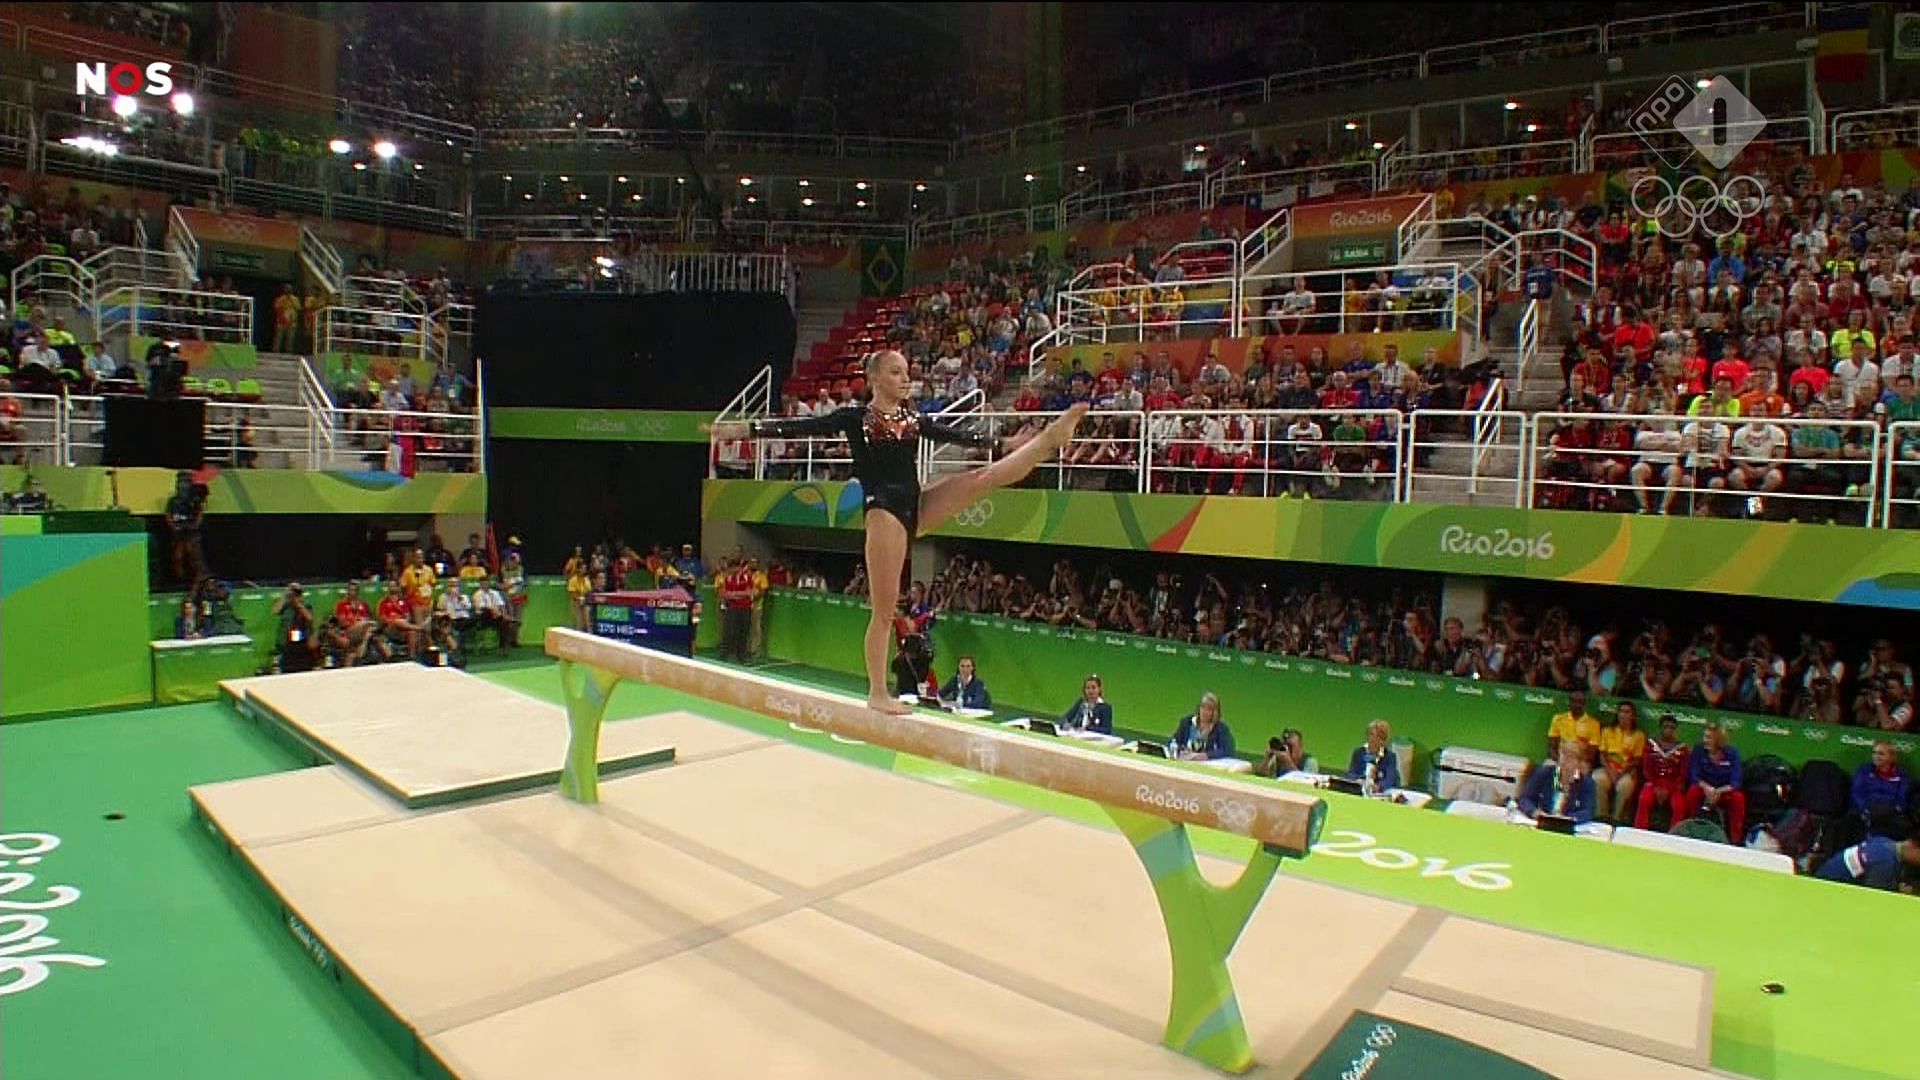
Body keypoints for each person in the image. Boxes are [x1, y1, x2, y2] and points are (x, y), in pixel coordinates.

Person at [722, 350, 1086, 712]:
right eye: (896, 372)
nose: (905, 378)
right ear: (874, 378)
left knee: (982, 478)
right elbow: (801, 428)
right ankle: (878, 693)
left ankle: (1048, 440)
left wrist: (1001, 444)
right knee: (884, 612)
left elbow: (954, 434)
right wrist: (746, 429)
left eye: (907, 371)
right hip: (884, 513)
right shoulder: (856, 418)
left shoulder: (911, 418)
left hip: (915, 505)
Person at [1683, 722, 1747, 842]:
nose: (1705, 740)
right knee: (1693, 791)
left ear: (1718, 740)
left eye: (1709, 737)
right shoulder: (1698, 750)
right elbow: (1694, 776)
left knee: (1738, 798)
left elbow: (1736, 782)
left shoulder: (1732, 754)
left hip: (1724, 792)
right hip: (1704, 789)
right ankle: (1690, 830)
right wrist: (1707, 788)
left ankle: (1735, 840)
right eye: (1704, 737)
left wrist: (1718, 791)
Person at [1633, 714, 1691, 831]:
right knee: (1644, 798)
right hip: (1653, 782)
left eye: (1672, 728)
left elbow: (1683, 773)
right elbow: (1646, 769)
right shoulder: (1651, 745)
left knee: (1679, 805)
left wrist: (1670, 788)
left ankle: (1675, 834)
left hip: (1673, 785)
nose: (1668, 730)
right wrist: (1656, 786)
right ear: (1660, 728)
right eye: (1665, 727)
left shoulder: (1682, 749)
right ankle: (1639, 831)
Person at [1517, 742, 1598, 826]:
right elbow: (1525, 798)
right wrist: (1534, 812)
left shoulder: (1586, 783)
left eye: (1570, 756)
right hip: (1542, 822)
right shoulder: (1545, 773)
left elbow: (1587, 812)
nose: (1565, 760)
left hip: (1566, 826)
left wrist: (1565, 819)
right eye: (1563, 754)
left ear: (1579, 762)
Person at [1595, 701, 1646, 824]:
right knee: (1598, 779)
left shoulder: (1639, 735)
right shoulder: (1608, 731)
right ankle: (1601, 817)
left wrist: (1623, 771)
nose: (1623, 714)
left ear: (1633, 716)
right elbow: (1602, 755)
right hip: (1609, 768)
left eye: (1627, 712)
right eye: (1621, 711)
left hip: (1627, 770)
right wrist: (1610, 771)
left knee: (1625, 785)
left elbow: (1638, 760)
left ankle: (1616, 819)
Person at [1812, 835, 1920, 892]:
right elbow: (1873, 896)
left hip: (1824, 876)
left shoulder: (1883, 841)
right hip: (1827, 889)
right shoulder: (1885, 862)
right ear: (1913, 846)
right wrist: (1897, 890)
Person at [1168, 692, 1235, 761]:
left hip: (1207, 764)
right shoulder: (1187, 722)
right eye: (1203, 707)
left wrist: (1206, 755)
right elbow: (1173, 741)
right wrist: (1179, 750)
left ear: (1214, 712)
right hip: (1186, 761)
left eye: (1209, 709)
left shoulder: (1221, 729)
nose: (1204, 711)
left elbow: (1228, 750)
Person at [1346, 719, 1401, 793]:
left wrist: (1378, 786)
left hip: (1380, 793)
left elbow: (1390, 780)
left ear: (1383, 740)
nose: (1373, 739)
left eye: (1378, 736)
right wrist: (1358, 780)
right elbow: (1350, 774)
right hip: (1361, 789)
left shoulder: (1390, 757)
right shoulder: (1358, 753)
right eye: (1371, 734)